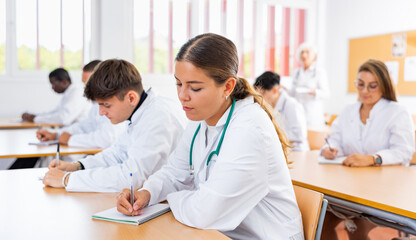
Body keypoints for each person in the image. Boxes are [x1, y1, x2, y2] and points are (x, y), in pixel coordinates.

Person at [116, 33, 303, 239]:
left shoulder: (249, 128)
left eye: (195, 87)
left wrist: (171, 199)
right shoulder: (199, 119)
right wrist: (146, 194)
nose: (182, 96)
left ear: (228, 86)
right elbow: (174, 173)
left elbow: (205, 212)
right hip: (219, 233)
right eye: (178, 84)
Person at [42, 59, 187, 192]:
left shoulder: (158, 116)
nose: (101, 112)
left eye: (106, 105)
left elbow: (131, 177)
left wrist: (67, 179)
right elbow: (117, 153)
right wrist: (77, 166)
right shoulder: (140, 112)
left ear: (131, 98)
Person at [321, 59, 415, 240]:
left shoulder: (397, 112)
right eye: (360, 84)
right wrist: (329, 149)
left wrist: (374, 158)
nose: (364, 91)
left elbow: (404, 150)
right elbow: (335, 139)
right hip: (349, 187)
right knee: (321, 222)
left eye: (372, 86)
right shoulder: (348, 110)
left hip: (384, 190)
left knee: (355, 229)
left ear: (384, 85)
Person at [36, 60, 127, 148]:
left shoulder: (115, 104)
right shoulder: (96, 105)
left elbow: (106, 139)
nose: (85, 88)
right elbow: (84, 126)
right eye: (84, 84)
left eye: (89, 83)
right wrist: (56, 135)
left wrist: (70, 139)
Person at [254, 71, 309, 152]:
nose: (260, 98)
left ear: (275, 90)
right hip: (280, 151)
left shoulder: (292, 105)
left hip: (297, 151)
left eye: (262, 93)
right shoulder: (269, 107)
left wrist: (272, 137)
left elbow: (299, 135)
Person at [21, 68, 91, 125]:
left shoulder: (77, 92)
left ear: (64, 82)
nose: (52, 87)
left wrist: (35, 118)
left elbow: (63, 118)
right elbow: (55, 112)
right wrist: (35, 116)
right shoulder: (69, 93)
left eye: (53, 84)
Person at [288, 42, 330, 127]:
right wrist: (284, 90)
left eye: (307, 52)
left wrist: (315, 92)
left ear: (314, 56)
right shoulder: (297, 72)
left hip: (313, 116)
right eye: (302, 52)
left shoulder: (319, 72)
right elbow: (292, 93)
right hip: (298, 114)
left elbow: (326, 94)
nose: (304, 55)